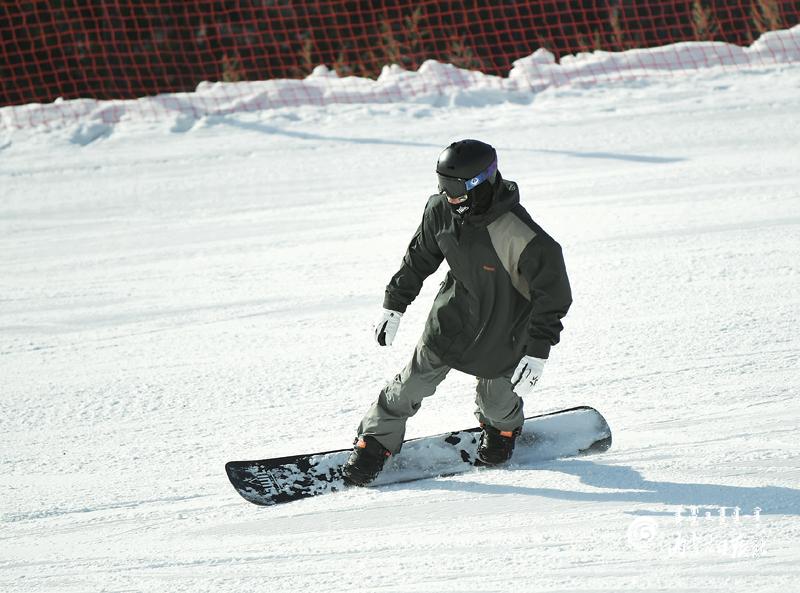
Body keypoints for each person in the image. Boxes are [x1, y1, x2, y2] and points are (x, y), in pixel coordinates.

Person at [341, 139, 572, 486]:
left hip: (504, 331)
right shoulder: (441, 210)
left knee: (496, 404)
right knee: (409, 386)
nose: (448, 196)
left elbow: (553, 298)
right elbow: (419, 257)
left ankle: (502, 430)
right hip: (452, 320)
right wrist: (394, 304)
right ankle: (374, 442)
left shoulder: (524, 238)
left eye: (456, 188)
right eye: (443, 185)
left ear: (481, 184)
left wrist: (538, 350)